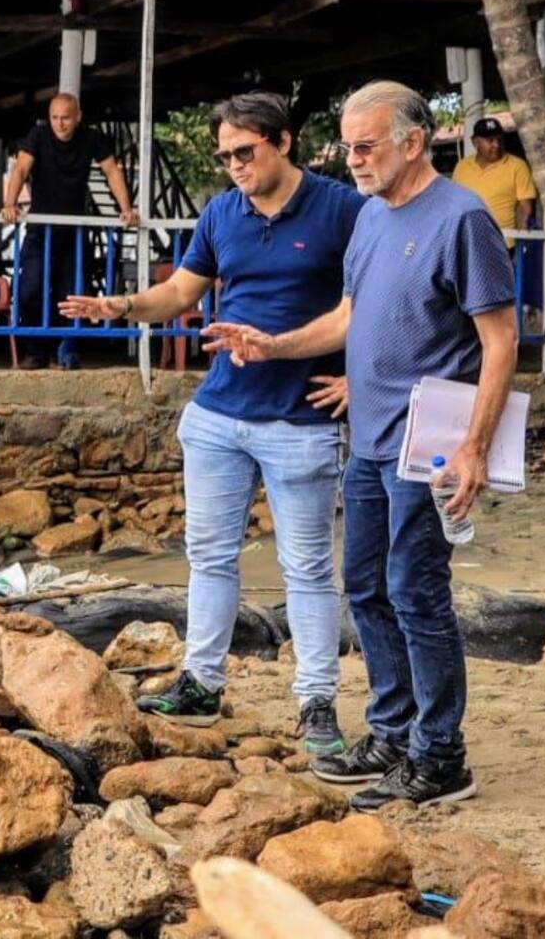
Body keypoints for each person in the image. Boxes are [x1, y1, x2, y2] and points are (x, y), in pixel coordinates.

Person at [205, 81, 516, 810]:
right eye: (347, 146)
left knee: (416, 591)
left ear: (415, 141)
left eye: (366, 145)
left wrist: (474, 448)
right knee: (367, 587)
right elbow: (348, 316)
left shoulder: (463, 218)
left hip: (427, 445)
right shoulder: (372, 216)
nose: (353, 160)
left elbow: (500, 341)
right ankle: (394, 732)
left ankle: (441, 757)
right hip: (369, 439)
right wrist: (274, 344)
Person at [61, 92, 364, 756]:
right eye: (225, 156)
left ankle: (316, 703)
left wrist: (361, 380)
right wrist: (120, 306)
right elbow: (179, 293)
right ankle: (201, 683)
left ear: (283, 141)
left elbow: (372, 304)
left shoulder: (343, 208)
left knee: (308, 569)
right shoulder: (223, 212)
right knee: (208, 557)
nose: (234, 166)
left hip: (301, 420)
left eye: (244, 152)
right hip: (218, 415)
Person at [1, 92, 139, 369]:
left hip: (75, 231)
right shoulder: (38, 135)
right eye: (54, 117)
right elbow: (21, 169)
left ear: (78, 118)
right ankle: (35, 351)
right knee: (29, 290)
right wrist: (9, 204)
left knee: (71, 293)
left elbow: (112, 171)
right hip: (41, 230)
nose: (59, 124)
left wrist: (127, 209)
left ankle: (62, 350)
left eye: (65, 118)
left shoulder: (92, 138)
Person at [451, 116, 538, 248]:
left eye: (499, 140)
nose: (496, 145)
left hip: (503, 245)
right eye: (490, 140)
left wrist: (523, 243)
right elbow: (453, 204)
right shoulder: (461, 167)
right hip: (467, 244)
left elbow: (526, 208)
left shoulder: (517, 166)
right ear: (475, 143)